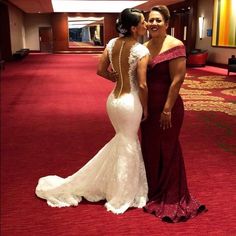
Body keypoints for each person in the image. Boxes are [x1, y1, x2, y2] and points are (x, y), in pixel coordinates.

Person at [35, 8, 150, 215]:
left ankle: (113, 183)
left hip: (113, 100)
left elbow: (100, 70)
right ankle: (121, 193)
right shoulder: (141, 50)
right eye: (143, 22)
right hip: (130, 102)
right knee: (129, 142)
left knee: (122, 140)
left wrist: (116, 79)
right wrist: (147, 107)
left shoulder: (112, 44)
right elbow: (142, 85)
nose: (146, 25)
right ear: (133, 28)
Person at [140, 5, 206, 222]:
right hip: (148, 109)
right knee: (149, 148)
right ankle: (153, 191)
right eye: (151, 20)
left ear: (167, 23)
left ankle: (169, 195)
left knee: (167, 148)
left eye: (158, 20)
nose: (154, 24)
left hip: (169, 107)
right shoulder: (145, 46)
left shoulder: (175, 45)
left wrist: (167, 108)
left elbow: (178, 80)